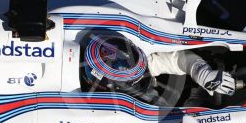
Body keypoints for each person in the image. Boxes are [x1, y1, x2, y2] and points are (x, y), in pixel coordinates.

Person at [83, 35, 235, 106]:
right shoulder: (92, 103)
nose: (143, 74)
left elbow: (177, 60)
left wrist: (202, 73)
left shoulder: (137, 64)